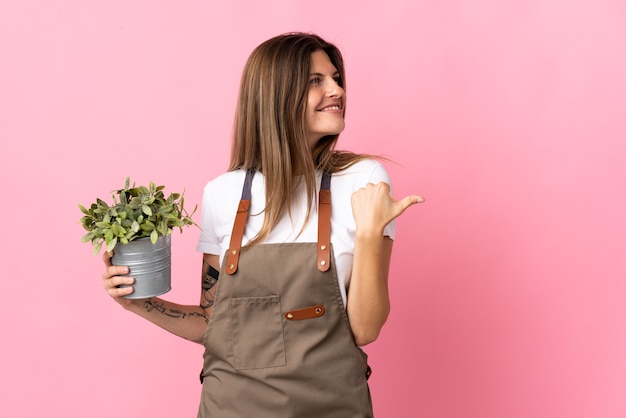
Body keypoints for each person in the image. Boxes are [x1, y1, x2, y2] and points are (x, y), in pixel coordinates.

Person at [102, 32, 424, 417]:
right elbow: (212, 322)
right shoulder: (223, 193)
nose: (337, 89)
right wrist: (138, 304)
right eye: (316, 81)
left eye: (336, 78)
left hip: (332, 406)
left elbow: (365, 330)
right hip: (231, 407)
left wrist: (371, 233)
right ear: (276, 95)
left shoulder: (363, 180)